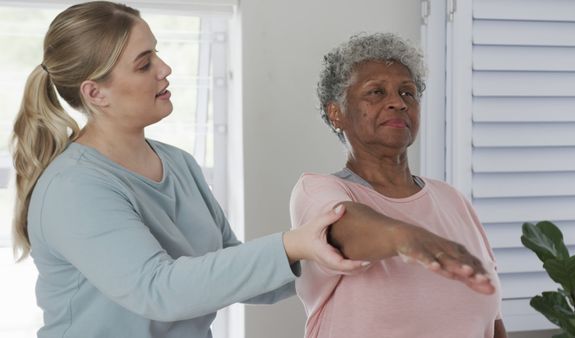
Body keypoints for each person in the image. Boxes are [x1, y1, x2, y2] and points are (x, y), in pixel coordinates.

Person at [10, 2, 367, 337]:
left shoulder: (178, 163)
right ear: (95, 93)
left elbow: (229, 268)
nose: (164, 69)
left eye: (157, 53)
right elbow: (159, 290)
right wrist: (292, 244)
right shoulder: (73, 188)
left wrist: (336, 251)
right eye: (144, 63)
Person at [290, 33, 507, 338]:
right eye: (376, 92)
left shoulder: (452, 200)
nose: (398, 103)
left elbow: (492, 321)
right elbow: (345, 229)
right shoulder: (319, 191)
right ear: (336, 113)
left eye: (408, 93)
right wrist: (410, 237)